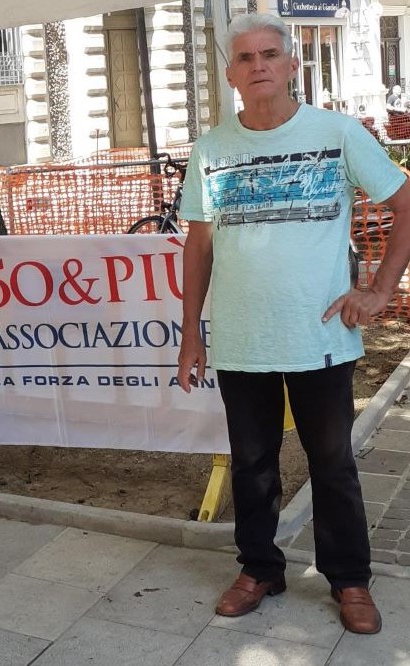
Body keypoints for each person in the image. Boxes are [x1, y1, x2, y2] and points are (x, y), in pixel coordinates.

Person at [177, 14, 410, 635]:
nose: (259, 66)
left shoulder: (336, 133)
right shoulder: (211, 149)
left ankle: (350, 580)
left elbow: (404, 205)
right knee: (252, 464)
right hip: (241, 337)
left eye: (270, 54)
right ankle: (260, 568)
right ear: (231, 73)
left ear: (291, 63)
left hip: (320, 336)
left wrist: (381, 288)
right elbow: (197, 248)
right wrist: (191, 333)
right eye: (246, 57)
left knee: (332, 463)